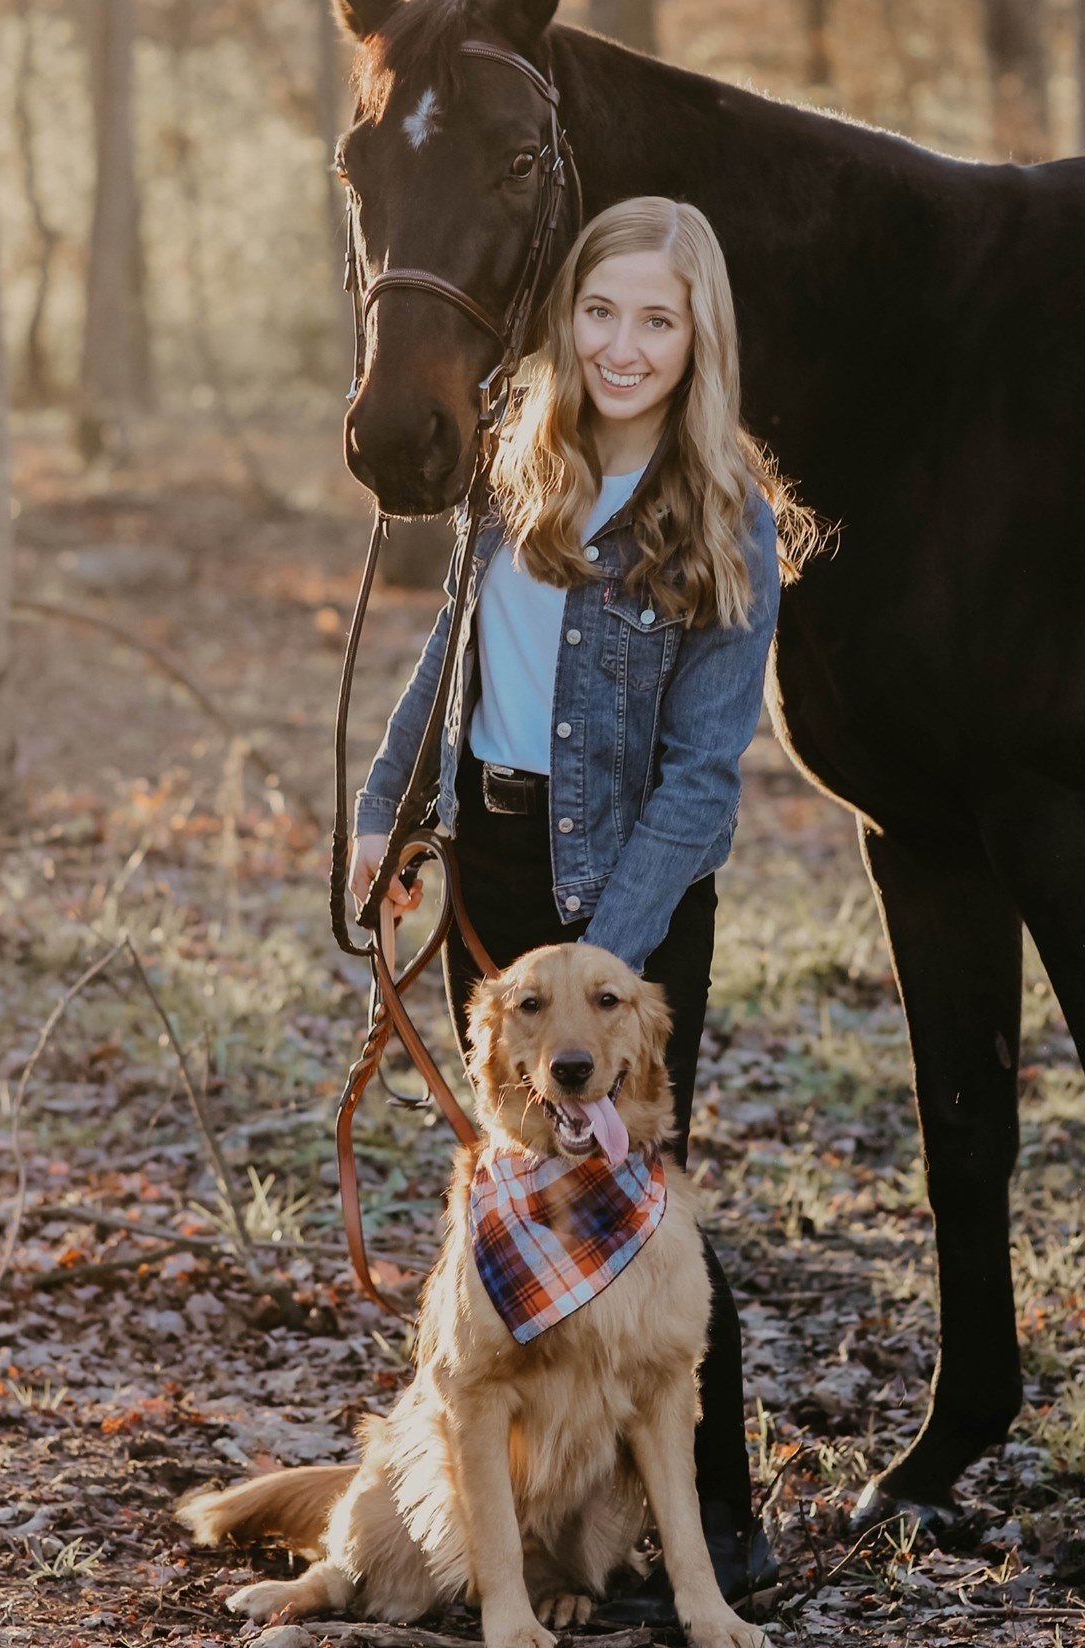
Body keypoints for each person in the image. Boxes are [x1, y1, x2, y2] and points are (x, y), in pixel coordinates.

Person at [349, 195, 816, 1619]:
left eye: (655, 322)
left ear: (696, 341)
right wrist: (386, 808)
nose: (622, 346)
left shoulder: (726, 516)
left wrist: (605, 945)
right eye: (601, 313)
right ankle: (527, 1509)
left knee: (635, 1196)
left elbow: (700, 772)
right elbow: (454, 653)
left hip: (636, 890)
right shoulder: (519, 463)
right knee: (515, 1176)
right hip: (489, 862)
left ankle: (709, 1527)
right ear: (570, 321)